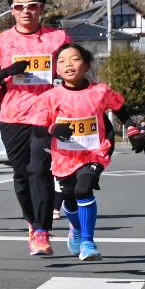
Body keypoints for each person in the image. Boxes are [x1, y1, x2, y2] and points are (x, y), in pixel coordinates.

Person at [0, 0, 71, 255]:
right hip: (14, 118)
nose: (26, 11)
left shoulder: (57, 38)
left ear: (42, 7)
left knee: (40, 170)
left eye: (32, 5)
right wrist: (9, 71)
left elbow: (74, 70)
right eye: (19, 6)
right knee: (22, 176)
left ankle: (41, 230)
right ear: (11, 10)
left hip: (48, 116)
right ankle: (32, 222)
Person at [47, 42, 125, 261]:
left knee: (83, 189)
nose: (68, 64)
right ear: (57, 70)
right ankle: (77, 229)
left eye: (75, 59)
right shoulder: (51, 97)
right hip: (64, 157)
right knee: (69, 200)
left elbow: (119, 106)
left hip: (94, 152)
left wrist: (133, 128)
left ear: (87, 64)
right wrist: (53, 128)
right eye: (62, 61)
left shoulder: (100, 92)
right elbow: (39, 125)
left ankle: (88, 243)